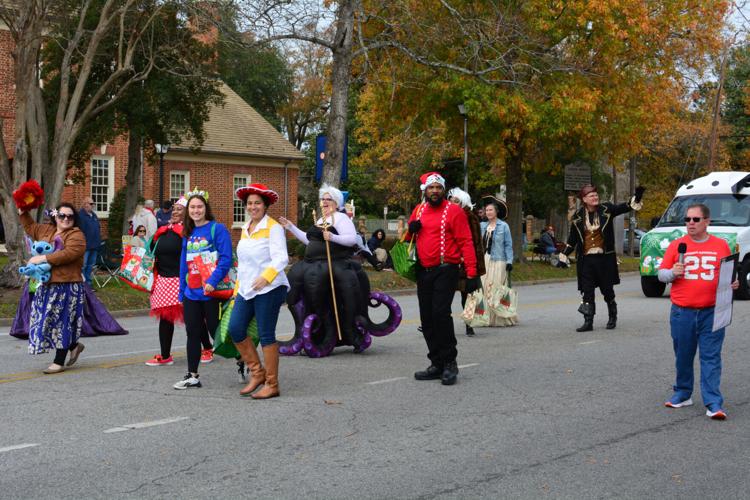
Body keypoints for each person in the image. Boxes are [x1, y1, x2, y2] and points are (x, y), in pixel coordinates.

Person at [658, 204, 738, 420]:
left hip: (712, 311)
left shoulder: (721, 246)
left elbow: (729, 275)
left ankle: (713, 403)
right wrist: (672, 273)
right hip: (682, 311)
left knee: (710, 357)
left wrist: (734, 283)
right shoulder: (677, 246)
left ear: (707, 221)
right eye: (687, 219)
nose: (690, 223)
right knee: (683, 354)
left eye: (695, 219)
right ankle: (683, 393)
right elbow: (661, 275)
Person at [280, 184, 373, 354]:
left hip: (333, 264)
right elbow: (310, 241)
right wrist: (291, 227)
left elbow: (351, 239)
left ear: (336, 203)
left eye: (328, 199)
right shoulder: (321, 220)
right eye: (322, 199)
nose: (324, 202)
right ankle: (315, 333)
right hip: (312, 264)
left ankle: (349, 333)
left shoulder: (341, 218)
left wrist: (332, 236)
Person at [406, 172, 478, 385]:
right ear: (425, 191)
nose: (435, 191)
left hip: (446, 269)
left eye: (438, 187)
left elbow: (466, 242)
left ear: (443, 190)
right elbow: (407, 239)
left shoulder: (454, 211)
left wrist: (472, 272)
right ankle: (436, 363)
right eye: (431, 188)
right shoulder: (418, 210)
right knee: (426, 318)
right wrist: (411, 230)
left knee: (440, 314)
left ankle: (449, 363)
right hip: (423, 271)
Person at [229, 183, 290, 399]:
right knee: (235, 328)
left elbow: (282, 258)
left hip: (270, 288)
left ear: (265, 206)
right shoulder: (246, 228)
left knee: (266, 334)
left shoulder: (273, 227)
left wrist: (266, 277)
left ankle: (272, 384)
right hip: (246, 289)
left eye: (257, 203)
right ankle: (257, 373)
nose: (253, 206)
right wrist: (237, 290)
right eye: (250, 203)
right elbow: (243, 264)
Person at [560, 184, 645, 332]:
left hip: (604, 259)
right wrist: (563, 255)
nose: (595, 197)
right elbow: (572, 240)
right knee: (587, 292)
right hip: (586, 260)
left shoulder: (607, 209)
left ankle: (612, 316)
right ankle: (588, 322)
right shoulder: (577, 218)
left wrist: (637, 197)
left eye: (596, 195)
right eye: (591, 196)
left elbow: (624, 207)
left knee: (607, 290)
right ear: (584, 199)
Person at [19, 203, 87, 374]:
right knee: (45, 322)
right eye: (62, 215)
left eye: (70, 216)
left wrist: (42, 258)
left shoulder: (76, 235)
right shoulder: (46, 230)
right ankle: (74, 345)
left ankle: (59, 361)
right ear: (55, 216)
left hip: (67, 286)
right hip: (47, 286)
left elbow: (68, 254)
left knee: (62, 323)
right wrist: (23, 211)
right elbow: (30, 227)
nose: (66, 219)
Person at [175, 190, 232, 389]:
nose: (196, 210)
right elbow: (184, 263)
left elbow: (226, 259)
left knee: (216, 331)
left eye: (200, 207)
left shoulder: (218, 229)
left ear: (206, 208)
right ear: (188, 210)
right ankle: (192, 375)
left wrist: (213, 281)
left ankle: (243, 359)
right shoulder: (188, 233)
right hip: (192, 292)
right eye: (192, 207)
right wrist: (181, 290)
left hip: (211, 291)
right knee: (192, 332)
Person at [145, 197, 186, 367]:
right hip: (162, 279)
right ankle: (165, 355)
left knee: (195, 319)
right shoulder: (163, 230)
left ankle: (206, 347)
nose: (175, 211)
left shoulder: (188, 232)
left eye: (179, 209)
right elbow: (151, 250)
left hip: (181, 279)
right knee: (165, 318)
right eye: (174, 208)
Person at [448, 187, 486, 336]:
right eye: (451, 200)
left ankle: (469, 324)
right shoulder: (447, 215)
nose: (452, 203)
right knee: (444, 295)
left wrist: (470, 262)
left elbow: (474, 243)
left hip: (465, 263)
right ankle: (439, 323)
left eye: (456, 201)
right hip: (450, 262)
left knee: (467, 296)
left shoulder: (469, 217)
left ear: (463, 203)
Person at [480, 196, 517, 327]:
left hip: (499, 261)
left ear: (496, 212)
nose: (488, 212)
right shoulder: (482, 226)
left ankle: (500, 317)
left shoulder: (504, 226)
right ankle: (486, 317)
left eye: (490, 210)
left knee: (496, 289)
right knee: (484, 289)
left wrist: (509, 261)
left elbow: (508, 245)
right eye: (486, 210)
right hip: (485, 260)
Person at [77, 197, 100, 285]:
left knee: (90, 265)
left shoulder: (94, 215)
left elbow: (97, 228)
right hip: (85, 246)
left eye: (93, 204)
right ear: (85, 204)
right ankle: (81, 284)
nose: (93, 205)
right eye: (91, 204)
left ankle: (88, 284)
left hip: (94, 245)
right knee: (83, 265)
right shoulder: (80, 216)